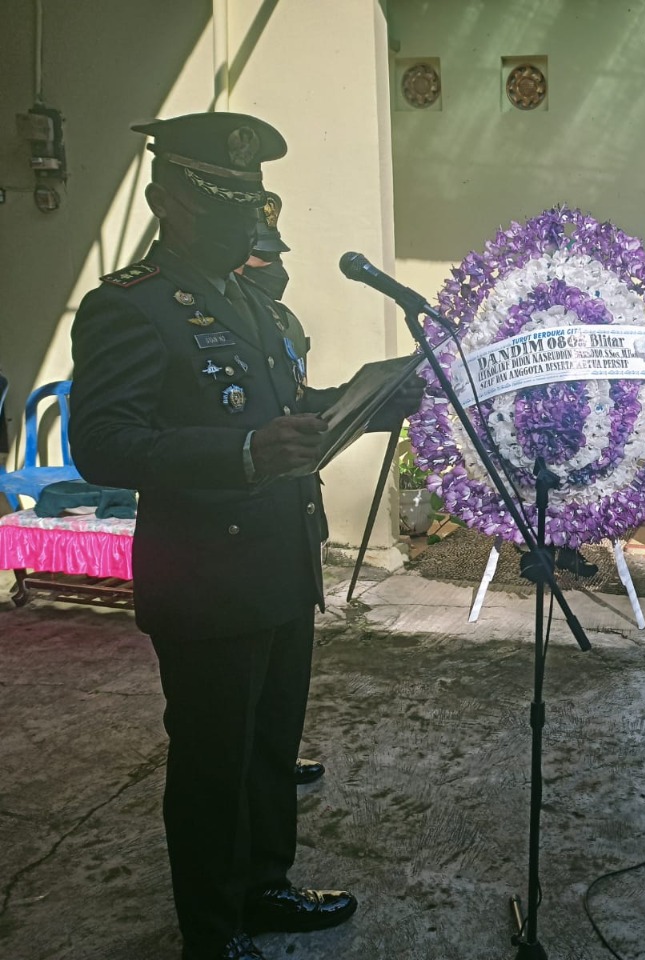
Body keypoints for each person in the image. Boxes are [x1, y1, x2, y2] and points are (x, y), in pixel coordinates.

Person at [67, 113, 394, 960]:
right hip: (205, 574)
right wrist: (244, 454)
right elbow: (102, 443)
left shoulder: (253, 301)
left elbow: (276, 410)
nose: (244, 217)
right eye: (221, 199)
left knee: (270, 749)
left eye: (248, 200)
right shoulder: (129, 305)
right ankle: (212, 933)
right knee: (214, 762)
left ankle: (264, 888)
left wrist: (364, 402)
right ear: (165, 198)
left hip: (282, 560)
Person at [234, 191, 330, 789]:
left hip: (292, 528)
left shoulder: (279, 320)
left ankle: (272, 765)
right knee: (227, 723)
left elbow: (295, 401)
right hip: (229, 545)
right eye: (263, 259)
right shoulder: (162, 308)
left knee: (280, 697)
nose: (279, 270)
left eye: (277, 257)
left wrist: (366, 398)